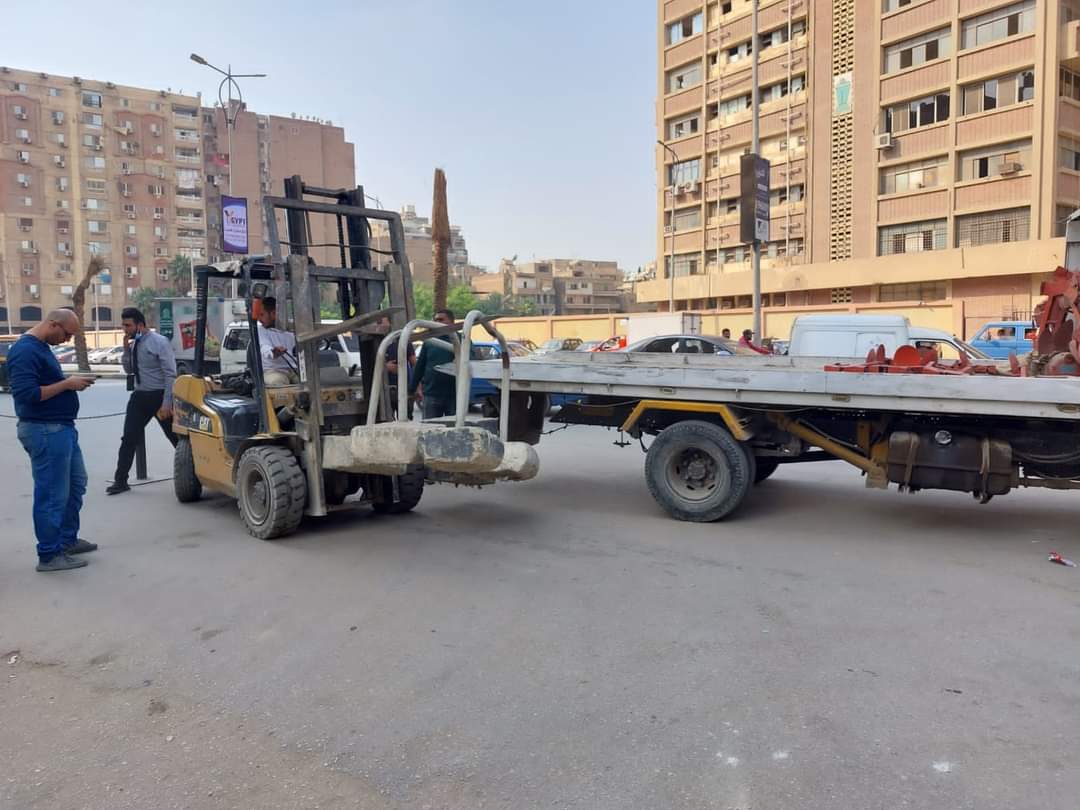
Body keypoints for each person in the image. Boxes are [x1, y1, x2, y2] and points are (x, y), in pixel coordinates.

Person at [8, 309, 98, 572]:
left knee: (75, 485)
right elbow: (27, 395)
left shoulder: (41, 347)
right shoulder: (25, 351)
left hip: (60, 428)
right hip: (45, 430)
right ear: (53, 324)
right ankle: (49, 554)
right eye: (67, 334)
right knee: (52, 494)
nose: (67, 340)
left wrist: (69, 383)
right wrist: (67, 385)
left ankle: (66, 540)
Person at [107, 307, 179, 495]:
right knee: (129, 438)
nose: (124, 329)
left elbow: (170, 374)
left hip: (159, 396)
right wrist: (125, 350)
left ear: (140, 325)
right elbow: (129, 370)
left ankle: (194, 475)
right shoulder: (134, 344)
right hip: (139, 397)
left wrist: (167, 403)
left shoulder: (159, 342)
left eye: (128, 325)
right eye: (123, 325)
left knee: (175, 439)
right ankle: (120, 481)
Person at [409, 308, 458, 419]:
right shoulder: (430, 341)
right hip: (431, 394)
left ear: (452, 322)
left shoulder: (461, 339)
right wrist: (412, 389)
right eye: (435, 320)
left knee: (455, 427)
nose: (437, 322)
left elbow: (471, 359)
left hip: (455, 395)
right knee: (429, 426)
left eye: (441, 319)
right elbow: (420, 367)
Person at [379, 316, 416, 418]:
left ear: (390, 324)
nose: (380, 325)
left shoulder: (403, 340)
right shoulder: (375, 342)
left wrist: (417, 387)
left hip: (403, 389)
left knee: (405, 419)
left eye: (382, 322)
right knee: (387, 419)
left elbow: (414, 365)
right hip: (384, 390)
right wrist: (386, 367)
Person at [256, 297, 298, 385]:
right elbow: (264, 347)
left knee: (308, 381)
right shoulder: (261, 331)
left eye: (262, 315)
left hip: (294, 369)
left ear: (274, 313)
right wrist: (273, 352)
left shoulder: (292, 328)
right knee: (279, 381)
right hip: (272, 371)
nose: (259, 319)